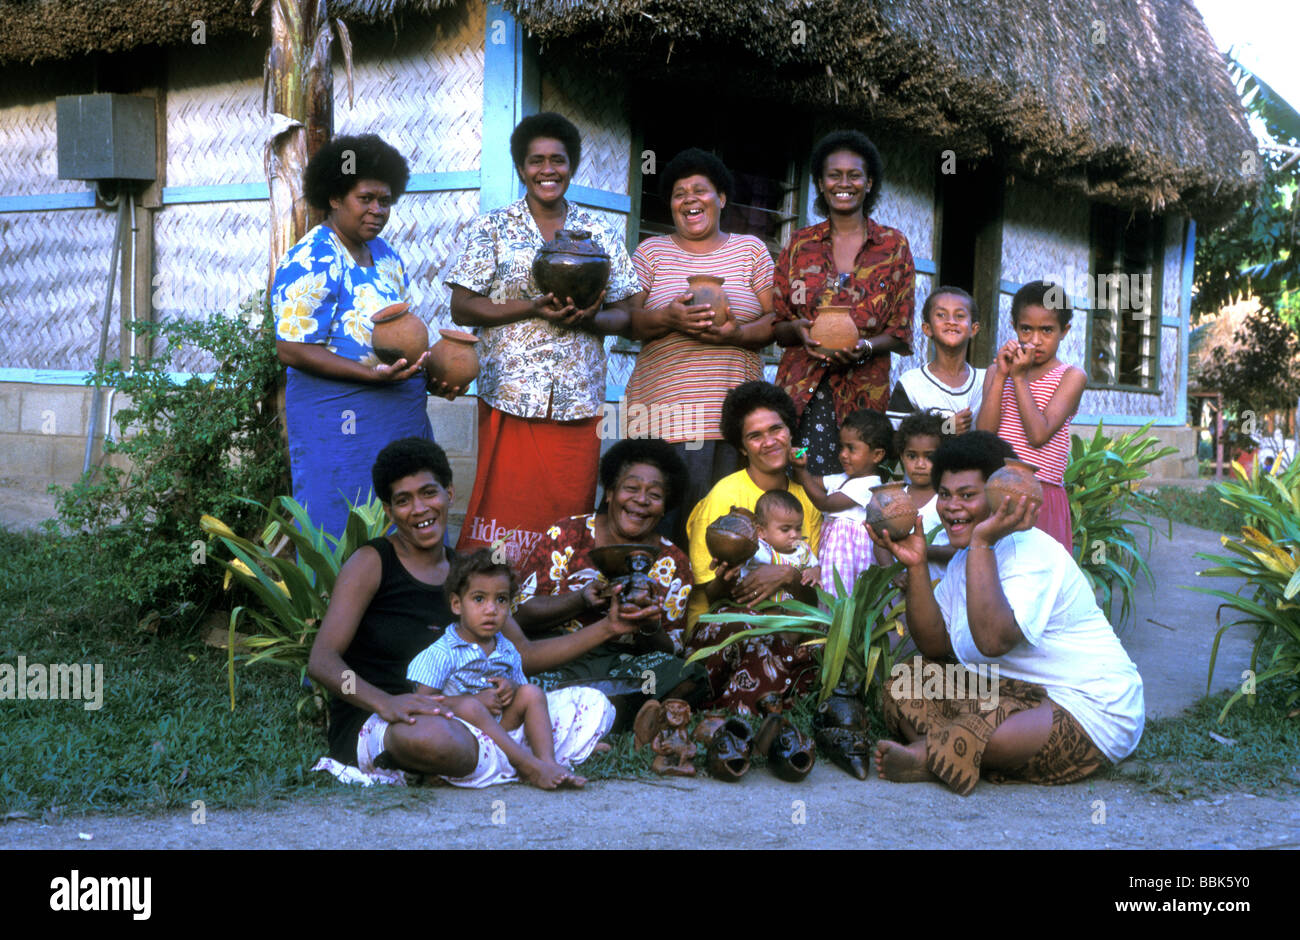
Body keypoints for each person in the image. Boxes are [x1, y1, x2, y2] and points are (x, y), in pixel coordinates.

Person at [306, 437, 637, 783]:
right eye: (403, 501)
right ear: (389, 512)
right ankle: (522, 757)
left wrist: (608, 628)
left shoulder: (468, 574)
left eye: (429, 493)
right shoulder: (372, 562)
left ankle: (498, 756)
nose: (419, 509)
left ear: (449, 493)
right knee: (433, 739)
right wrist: (384, 703)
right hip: (388, 721)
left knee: (589, 702)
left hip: (471, 715)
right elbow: (323, 661)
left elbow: (524, 653)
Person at [873, 431, 1144, 795]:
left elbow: (993, 640)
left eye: (968, 495)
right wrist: (918, 565)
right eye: (945, 495)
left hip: (1086, 708)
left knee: (986, 726)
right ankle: (957, 749)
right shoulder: (963, 560)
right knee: (904, 683)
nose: (952, 507)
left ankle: (928, 755)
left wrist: (983, 541)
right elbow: (934, 647)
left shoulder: (1030, 552)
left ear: (1000, 497)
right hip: (1009, 695)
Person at [446, 112, 642, 566]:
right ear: (521, 168)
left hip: (577, 395)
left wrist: (592, 319)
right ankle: (494, 590)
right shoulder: (493, 228)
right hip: (510, 392)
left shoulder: (600, 232)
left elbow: (629, 312)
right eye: (536, 161)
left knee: (567, 504)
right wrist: (530, 308)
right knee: (505, 502)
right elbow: (463, 305)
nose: (547, 170)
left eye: (558, 160)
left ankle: (559, 590)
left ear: (571, 166)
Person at [272, 134, 460, 538]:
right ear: (335, 197)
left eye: (385, 201)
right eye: (366, 198)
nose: (377, 210)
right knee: (342, 520)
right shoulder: (312, 258)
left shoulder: (387, 256)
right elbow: (290, 348)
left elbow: (404, 331)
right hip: (340, 426)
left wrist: (431, 375)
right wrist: (368, 376)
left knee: (406, 523)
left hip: (399, 419)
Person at [623, 148, 777, 547]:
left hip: (728, 416)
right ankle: (655, 608)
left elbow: (778, 320)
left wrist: (736, 335)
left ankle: (712, 610)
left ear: (721, 198)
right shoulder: (651, 253)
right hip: (661, 414)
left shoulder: (750, 251)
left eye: (699, 190)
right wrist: (670, 319)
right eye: (678, 193)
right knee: (660, 526)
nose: (689, 199)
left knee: (724, 531)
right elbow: (628, 322)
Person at [512, 438, 703, 702]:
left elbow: (671, 649)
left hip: (623, 664)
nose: (642, 500)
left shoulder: (674, 562)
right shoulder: (568, 534)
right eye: (631, 488)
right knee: (515, 670)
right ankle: (605, 706)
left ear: (665, 507)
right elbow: (519, 614)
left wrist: (648, 625)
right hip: (558, 652)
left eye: (655, 495)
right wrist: (581, 599)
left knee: (688, 676)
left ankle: (586, 704)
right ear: (610, 492)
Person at [772, 129, 915, 476]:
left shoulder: (893, 246)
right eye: (834, 175)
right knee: (797, 485)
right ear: (821, 183)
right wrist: (799, 330)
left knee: (852, 494)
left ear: (869, 183)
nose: (844, 183)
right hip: (801, 393)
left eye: (854, 175)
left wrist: (865, 346)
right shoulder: (800, 244)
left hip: (864, 396)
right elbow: (778, 325)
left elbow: (901, 332)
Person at [407, 549, 610, 789]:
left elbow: (522, 697)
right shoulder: (441, 653)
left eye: (501, 599)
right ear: (457, 604)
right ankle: (528, 765)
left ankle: (547, 762)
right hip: (462, 740)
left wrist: (512, 689)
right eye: (479, 599)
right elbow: (420, 705)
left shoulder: (507, 650)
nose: (491, 609)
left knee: (532, 693)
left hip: (506, 732)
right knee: (471, 706)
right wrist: (471, 702)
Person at [684, 381, 823, 713]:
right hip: (725, 620)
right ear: (742, 447)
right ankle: (751, 707)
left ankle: (753, 703)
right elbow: (711, 594)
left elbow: (811, 597)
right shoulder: (725, 496)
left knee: (816, 642)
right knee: (751, 634)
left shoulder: (807, 498)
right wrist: (730, 579)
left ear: (790, 432)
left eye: (776, 429)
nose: (769, 441)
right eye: (755, 435)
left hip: (785, 621)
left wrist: (787, 576)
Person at [976, 280, 1087, 552]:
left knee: (1037, 576)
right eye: (1026, 329)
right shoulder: (996, 372)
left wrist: (1019, 378)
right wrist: (1002, 375)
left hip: (1042, 493)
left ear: (1064, 331)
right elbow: (985, 436)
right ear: (1014, 326)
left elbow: (1038, 435)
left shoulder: (1071, 377)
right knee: (995, 573)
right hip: (997, 489)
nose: (1035, 340)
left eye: (1047, 330)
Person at [791, 408, 890, 593]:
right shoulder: (842, 478)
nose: (843, 454)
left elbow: (824, 503)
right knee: (830, 598)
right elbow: (809, 482)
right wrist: (798, 465)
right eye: (841, 447)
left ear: (877, 455)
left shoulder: (869, 486)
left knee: (844, 600)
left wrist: (803, 472)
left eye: (851, 448)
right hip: (833, 553)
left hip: (849, 556)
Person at [886, 286, 985, 431]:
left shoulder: (987, 381)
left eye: (960, 316)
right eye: (941, 315)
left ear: (974, 329)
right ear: (927, 329)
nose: (951, 321)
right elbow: (897, 439)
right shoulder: (912, 384)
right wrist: (946, 428)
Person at [738, 490, 821, 601]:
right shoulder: (759, 550)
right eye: (785, 529)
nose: (794, 535)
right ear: (761, 532)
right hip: (763, 611)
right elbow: (741, 559)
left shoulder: (803, 549)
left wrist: (814, 572)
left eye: (798, 528)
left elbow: (815, 566)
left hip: (795, 611)